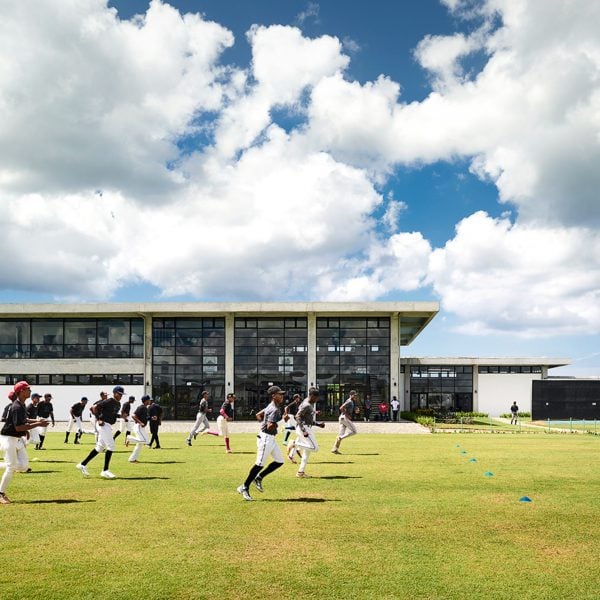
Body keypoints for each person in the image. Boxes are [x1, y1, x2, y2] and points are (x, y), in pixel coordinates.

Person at [0, 381, 49, 504]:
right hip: (9, 438)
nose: (30, 391)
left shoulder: (21, 404)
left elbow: (25, 420)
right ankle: (0, 494)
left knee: (24, 466)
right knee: (11, 466)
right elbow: (18, 427)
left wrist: (37, 421)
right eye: (28, 389)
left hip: (16, 438)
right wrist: (38, 424)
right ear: (21, 391)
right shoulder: (17, 406)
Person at [237, 386, 286, 501]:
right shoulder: (274, 409)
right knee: (259, 464)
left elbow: (258, 415)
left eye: (282, 394)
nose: (282, 396)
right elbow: (269, 426)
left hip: (270, 438)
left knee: (279, 461)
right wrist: (283, 421)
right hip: (266, 438)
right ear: (273, 396)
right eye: (279, 394)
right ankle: (244, 486)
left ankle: (259, 477)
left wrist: (264, 422)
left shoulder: (271, 406)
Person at [75, 385, 123, 479]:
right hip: (103, 424)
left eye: (121, 394)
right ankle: (105, 470)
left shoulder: (118, 404)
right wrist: (99, 418)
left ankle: (82, 464)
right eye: (119, 393)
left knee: (100, 447)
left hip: (108, 425)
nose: (120, 395)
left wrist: (121, 416)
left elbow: (112, 414)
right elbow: (93, 408)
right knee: (111, 446)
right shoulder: (109, 401)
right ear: (114, 393)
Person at [293, 387, 325, 478]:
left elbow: (307, 418)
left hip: (308, 427)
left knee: (307, 453)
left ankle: (300, 472)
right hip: (303, 429)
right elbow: (297, 417)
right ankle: (295, 444)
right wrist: (303, 431)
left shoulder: (309, 403)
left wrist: (318, 424)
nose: (317, 399)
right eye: (316, 397)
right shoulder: (306, 404)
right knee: (315, 448)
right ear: (311, 395)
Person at [126, 395, 152, 463]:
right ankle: (129, 437)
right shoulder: (141, 407)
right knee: (147, 441)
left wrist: (151, 418)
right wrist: (140, 423)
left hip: (141, 427)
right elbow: (133, 416)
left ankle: (132, 459)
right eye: (149, 400)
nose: (150, 401)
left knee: (139, 444)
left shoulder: (145, 408)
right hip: (138, 427)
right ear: (146, 401)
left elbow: (144, 418)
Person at [332, 390, 358, 454]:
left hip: (342, 418)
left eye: (356, 395)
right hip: (344, 418)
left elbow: (346, 408)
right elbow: (341, 407)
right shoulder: (349, 401)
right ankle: (341, 438)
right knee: (354, 431)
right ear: (351, 395)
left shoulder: (351, 401)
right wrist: (347, 415)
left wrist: (355, 410)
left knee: (340, 434)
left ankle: (335, 449)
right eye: (354, 395)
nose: (355, 396)